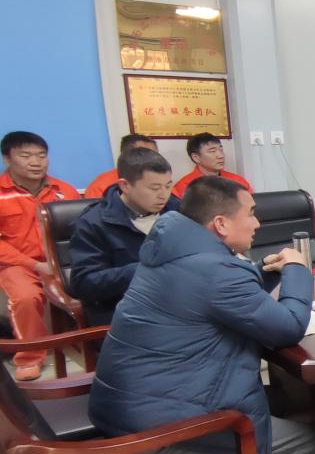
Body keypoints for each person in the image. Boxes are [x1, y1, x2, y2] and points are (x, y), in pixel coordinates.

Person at [88, 177, 315, 454]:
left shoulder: (172, 251)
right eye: (251, 214)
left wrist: (264, 273)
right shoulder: (214, 272)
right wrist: (299, 270)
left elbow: (214, 297)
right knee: (309, 444)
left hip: (127, 410)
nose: (257, 223)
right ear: (220, 224)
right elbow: (287, 328)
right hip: (156, 437)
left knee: (277, 405)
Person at [0, 131, 80, 380]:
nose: (36, 162)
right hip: (17, 264)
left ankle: (90, 345)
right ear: (7, 158)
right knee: (25, 297)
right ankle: (29, 357)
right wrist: (34, 265)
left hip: (61, 261)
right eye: (26, 156)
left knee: (97, 283)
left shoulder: (63, 190)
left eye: (41, 155)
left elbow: (81, 230)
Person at [69, 148, 180, 325]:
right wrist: (142, 270)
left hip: (177, 303)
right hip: (125, 311)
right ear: (125, 186)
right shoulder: (93, 222)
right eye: (154, 188)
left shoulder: (176, 209)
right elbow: (84, 284)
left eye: (168, 186)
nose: (163, 195)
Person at [172, 132, 252, 199]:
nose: (221, 156)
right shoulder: (185, 186)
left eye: (221, 150)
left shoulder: (237, 181)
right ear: (196, 157)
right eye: (212, 151)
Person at [84, 133, 158, 199]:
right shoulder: (101, 186)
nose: (152, 159)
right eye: (145, 155)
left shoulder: (160, 180)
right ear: (126, 156)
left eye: (155, 155)